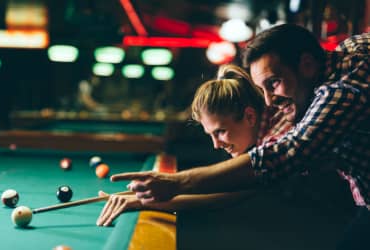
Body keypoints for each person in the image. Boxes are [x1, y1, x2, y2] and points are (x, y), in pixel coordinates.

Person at [110, 24, 369, 249]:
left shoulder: (338, 95)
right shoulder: (351, 48)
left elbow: (265, 169)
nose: (270, 99)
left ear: (308, 65)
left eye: (274, 82)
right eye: (262, 88)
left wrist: (170, 185)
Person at [96, 64, 293, 226]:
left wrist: (145, 203)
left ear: (249, 116)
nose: (217, 144)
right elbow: (227, 186)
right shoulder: (260, 128)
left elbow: (233, 197)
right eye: (211, 135)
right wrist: (140, 195)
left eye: (220, 132)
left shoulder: (276, 138)